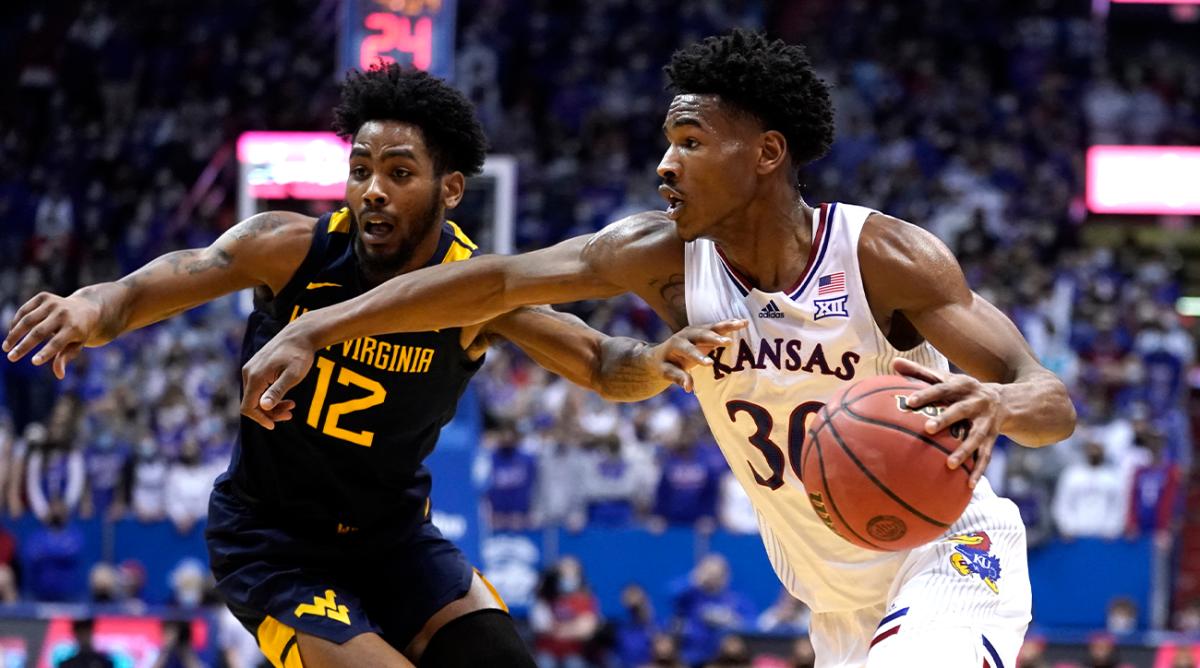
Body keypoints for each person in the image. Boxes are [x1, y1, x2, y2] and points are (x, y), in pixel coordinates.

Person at [240, 31, 1077, 667]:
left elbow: (1050, 400)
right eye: (667, 144)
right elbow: (491, 283)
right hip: (832, 592)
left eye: (690, 142)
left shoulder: (882, 257)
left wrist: (999, 403)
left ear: (766, 155)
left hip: (949, 552)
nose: (664, 165)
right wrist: (319, 324)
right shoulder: (658, 256)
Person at [3, 63, 732, 667]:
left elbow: (605, 363)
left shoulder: (472, 289)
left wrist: (662, 360)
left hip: (394, 540)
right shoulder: (290, 247)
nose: (372, 189)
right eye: (360, 170)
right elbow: (160, 281)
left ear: (450, 189)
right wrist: (91, 307)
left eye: (398, 172)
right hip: (274, 545)